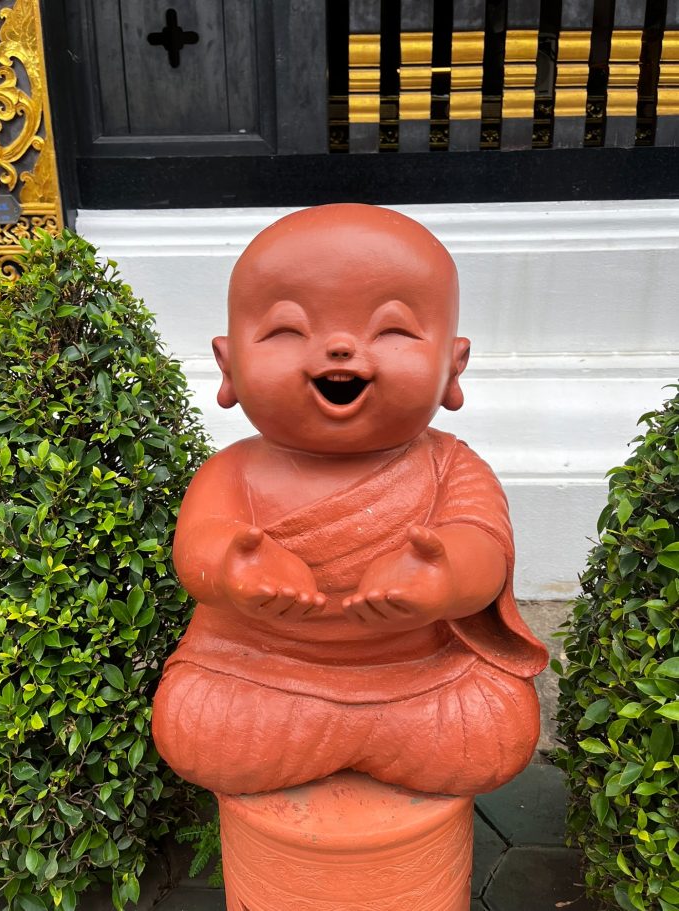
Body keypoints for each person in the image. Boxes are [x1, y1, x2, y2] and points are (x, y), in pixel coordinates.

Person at [152, 204, 548, 796]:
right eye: (288, 330)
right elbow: (199, 549)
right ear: (229, 364)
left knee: (497, 719)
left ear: (452, 367)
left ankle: (350, 731)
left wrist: (442, 576)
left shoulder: (451, 465)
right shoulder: (233, 471)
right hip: (261, 669)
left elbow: (483, 547)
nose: (339, 346)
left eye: (392, 330)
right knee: (193, 717)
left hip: (416, 675)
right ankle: (352, 732)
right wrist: (237, 567)